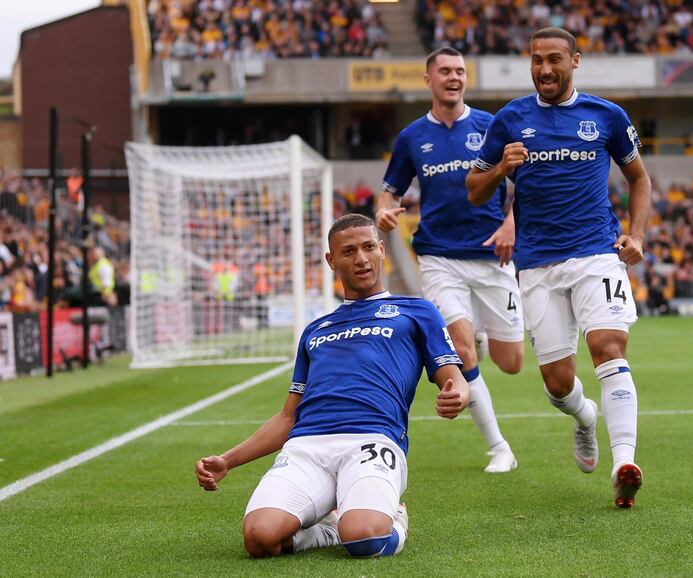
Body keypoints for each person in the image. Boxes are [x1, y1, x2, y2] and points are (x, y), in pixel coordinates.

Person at [195, 213, 469, 558]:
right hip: (306, 447)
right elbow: (287, 418)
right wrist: (227, 460)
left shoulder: (416, 311)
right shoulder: (316, 329)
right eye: (349, 251)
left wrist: (458, 394)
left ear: (382, 250)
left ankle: (393, 516)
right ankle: (327, 528)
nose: (361, 259)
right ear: (331, 260)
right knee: (259, 539)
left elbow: (452, 376)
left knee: (365, 540)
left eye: (369, 247)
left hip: (372, 439)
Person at [466, 27, 652, 508]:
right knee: (557, 383)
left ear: (575, 61)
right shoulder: (510, 119)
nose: (544, 69)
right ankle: (585, 417)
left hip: (596, 253)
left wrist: (637, 235)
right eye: (535, 60)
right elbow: (473, 189)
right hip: (537, 264)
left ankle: (624, 463)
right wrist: (499, 169)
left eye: (553, 59)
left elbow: (639, 179)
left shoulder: (606, 116)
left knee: (608, 348)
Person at [376, 47, 525, 474]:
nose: (453, 77)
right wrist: (384, 210)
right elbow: (389, 192)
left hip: (492, 256)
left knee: (512, 363)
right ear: (429, 80)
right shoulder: (410, 138)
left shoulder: (490, 126)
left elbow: (526, 184)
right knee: (461, 351)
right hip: (440, 256)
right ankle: (499, 448)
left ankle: (475, 329)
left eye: (460, 71)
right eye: (445, 71)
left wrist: (512, 223)